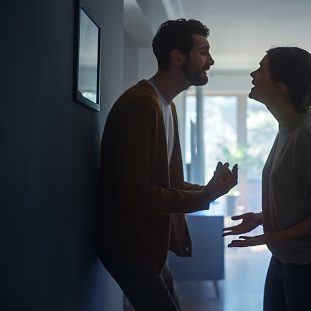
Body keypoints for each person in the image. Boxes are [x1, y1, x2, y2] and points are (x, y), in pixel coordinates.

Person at [97, 19, 238, 311]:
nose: (210, 61)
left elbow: (167, 183)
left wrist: (210, 189)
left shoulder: (166, 105)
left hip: (149, 250)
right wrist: (206, 195)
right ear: (177, 57)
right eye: (204, 52)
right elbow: (136, 192)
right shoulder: (141, 104)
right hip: (131, 250)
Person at [222, 47, 311, 311]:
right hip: (289, 258)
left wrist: (270, 236)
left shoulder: (310, 135)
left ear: (280, 86)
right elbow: (300, 196)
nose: (252, 74)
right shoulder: (289, 129)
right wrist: (263, 218)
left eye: (260, 69)